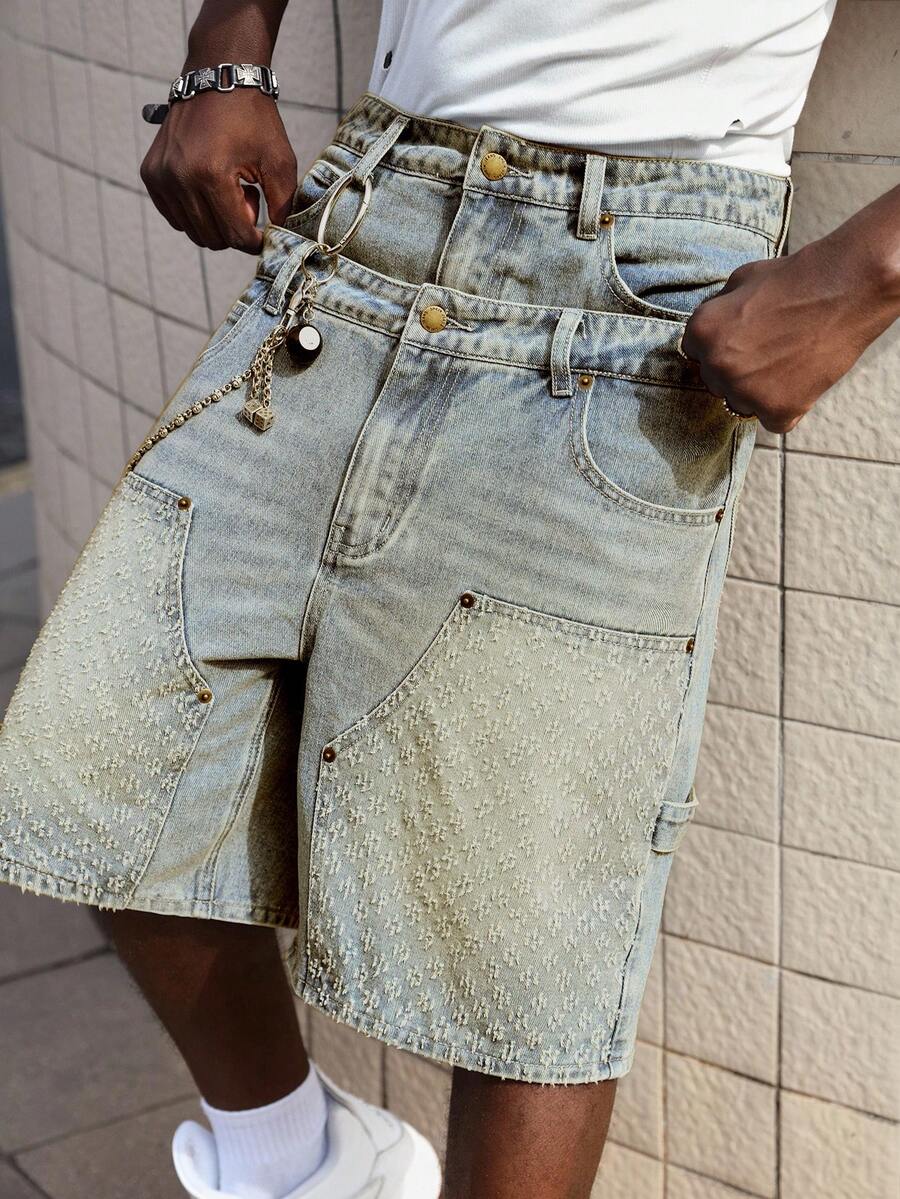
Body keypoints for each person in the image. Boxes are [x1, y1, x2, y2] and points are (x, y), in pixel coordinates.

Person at [1, 2, 898, 1197]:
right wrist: (227, 46)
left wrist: (867, 273)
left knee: (529, 936)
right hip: (372, 207)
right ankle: (305, 1163)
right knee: (86, 772)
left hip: (638, 288)